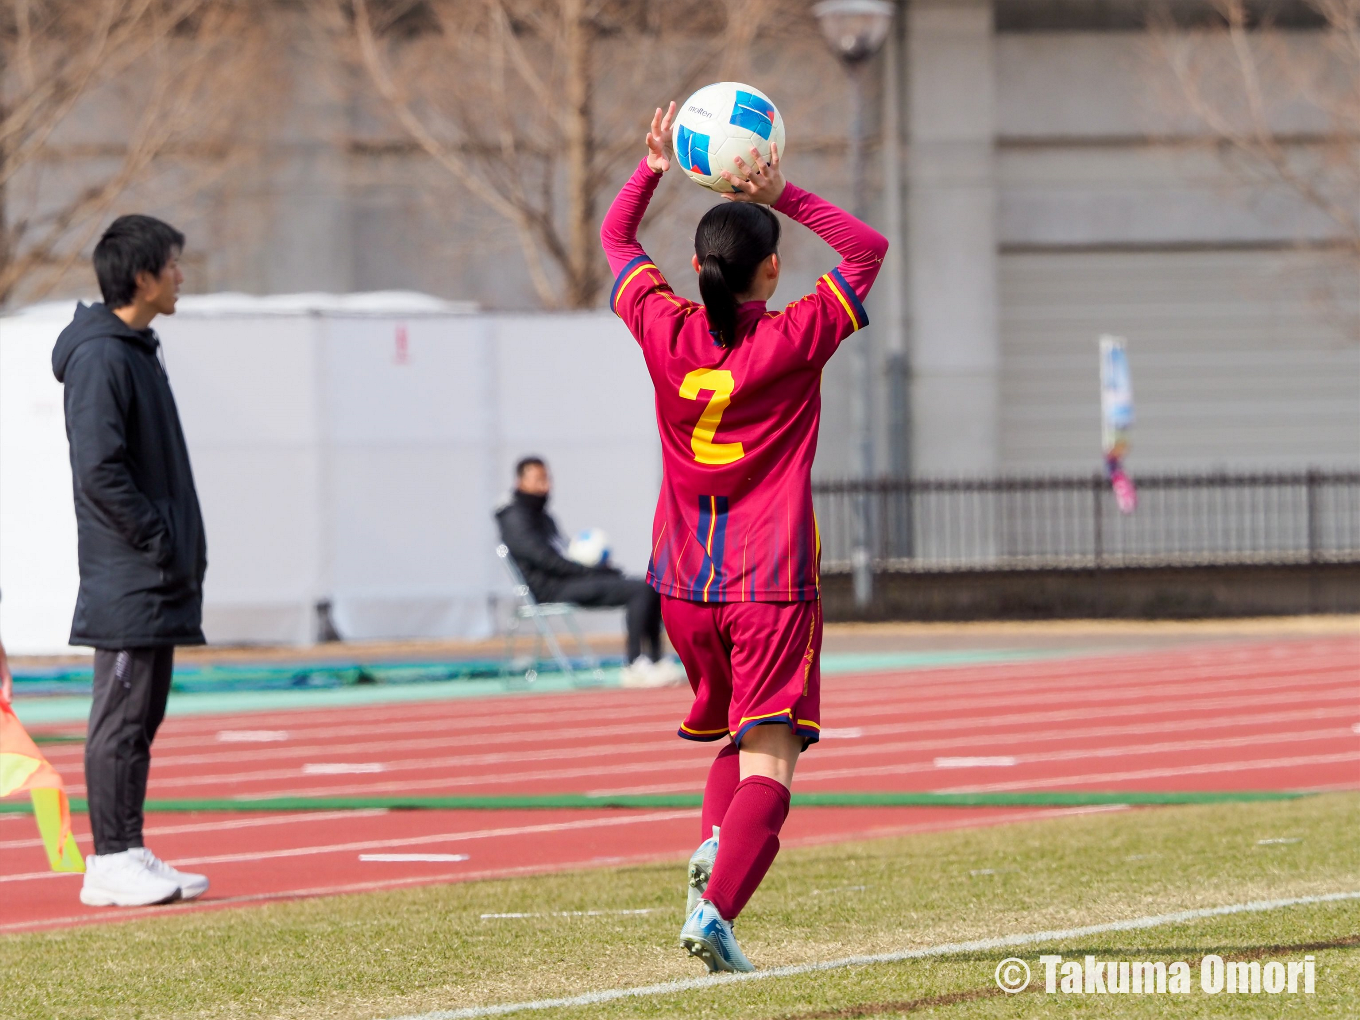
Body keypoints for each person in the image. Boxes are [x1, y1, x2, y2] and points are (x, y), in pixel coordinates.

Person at [600, 103, 887, 971]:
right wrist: (784, 190)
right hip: (769, 581)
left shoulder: (663, 324)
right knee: (775, 753)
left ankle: (711, 850)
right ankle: (717, 908)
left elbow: (617, 243)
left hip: (683, 584)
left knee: (738, 732)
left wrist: (652, 168)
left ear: (694, 267)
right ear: (771, 271)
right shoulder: (795, 336)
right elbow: (867, 249)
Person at [51, 214, 211, 908]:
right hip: (128, 575)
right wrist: (157, 540)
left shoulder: (137, 348)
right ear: (142, 276)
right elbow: (100, 471)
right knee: (119, 721)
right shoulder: (102, 358)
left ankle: (130, 847)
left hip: (154, 575)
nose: (181, 276)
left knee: (141, 720)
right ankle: (110, 860)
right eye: (172, 265)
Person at [495, 457, 682, 687]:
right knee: (640, 590)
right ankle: (635, 665)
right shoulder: (515, 518)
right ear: (520, 481)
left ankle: (655, 660)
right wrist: (590, 571)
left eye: (548, 479)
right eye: (539, 480)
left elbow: (564, 555)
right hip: (550, 589)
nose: (547, 486)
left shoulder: (543, 516)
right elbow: (546, 561)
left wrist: (599, 570)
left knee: (651, 584)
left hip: (566, 581)